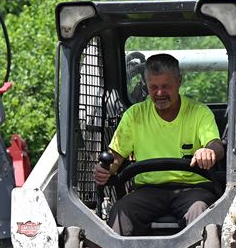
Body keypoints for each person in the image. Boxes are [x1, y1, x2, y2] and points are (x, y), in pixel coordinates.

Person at [94, 53, 225, 236]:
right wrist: (105, 170)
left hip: (193, 190)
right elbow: (115, 158)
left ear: (179, 82)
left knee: (199, 212)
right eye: (153, 87)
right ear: (146, 84)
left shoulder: (199, 113)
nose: (160, 93)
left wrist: (208, 151)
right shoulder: (134, 115)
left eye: (166, 86)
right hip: (148, 191)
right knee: (122, 212)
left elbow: (215, 144)